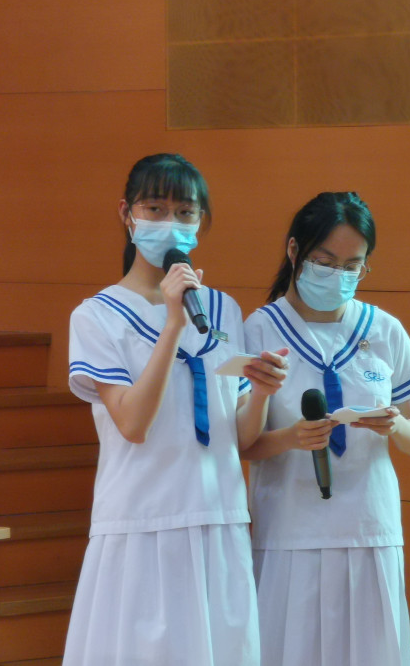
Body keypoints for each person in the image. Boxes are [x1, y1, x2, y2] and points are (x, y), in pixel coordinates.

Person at [63, 153, 288, 666]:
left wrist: (262, 391)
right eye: (156, 208)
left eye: (185, 212)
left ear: (201, 222)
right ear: (127, 214)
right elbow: (132, 423)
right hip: (143, 520)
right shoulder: (97, 315)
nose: (171, 223)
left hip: (219, 517)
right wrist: (172, 323)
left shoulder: (224, 308)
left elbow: (240, 437)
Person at [242, 191, 410, 666]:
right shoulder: (260, 330)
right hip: (290, 530)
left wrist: (393, 425)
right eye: (325, 262)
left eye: (352, 266)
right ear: (294, 251)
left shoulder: (384, 328)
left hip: (369, 528)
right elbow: (244, 444)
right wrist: (291, 438)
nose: (338, 275)